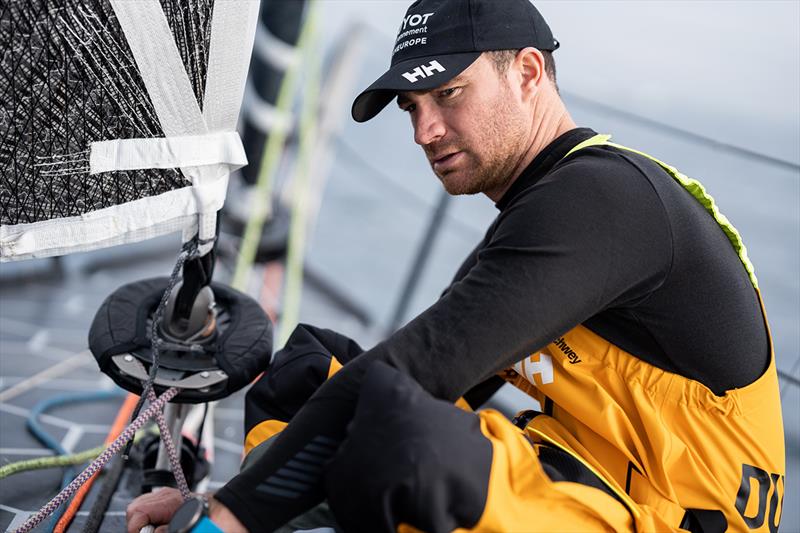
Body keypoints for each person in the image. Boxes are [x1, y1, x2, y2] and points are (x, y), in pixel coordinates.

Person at [127, 0, 786, 531]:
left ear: (528, 74)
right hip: (569, 473)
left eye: (448, 94)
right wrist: (223, 499)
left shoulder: (600, 201)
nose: (423, 131)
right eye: (414, 108)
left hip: (667, 515)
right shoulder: (545, 206)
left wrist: (223, 517)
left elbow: (416, 374)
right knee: (308, 366)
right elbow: (439, 371)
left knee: (393, 424)